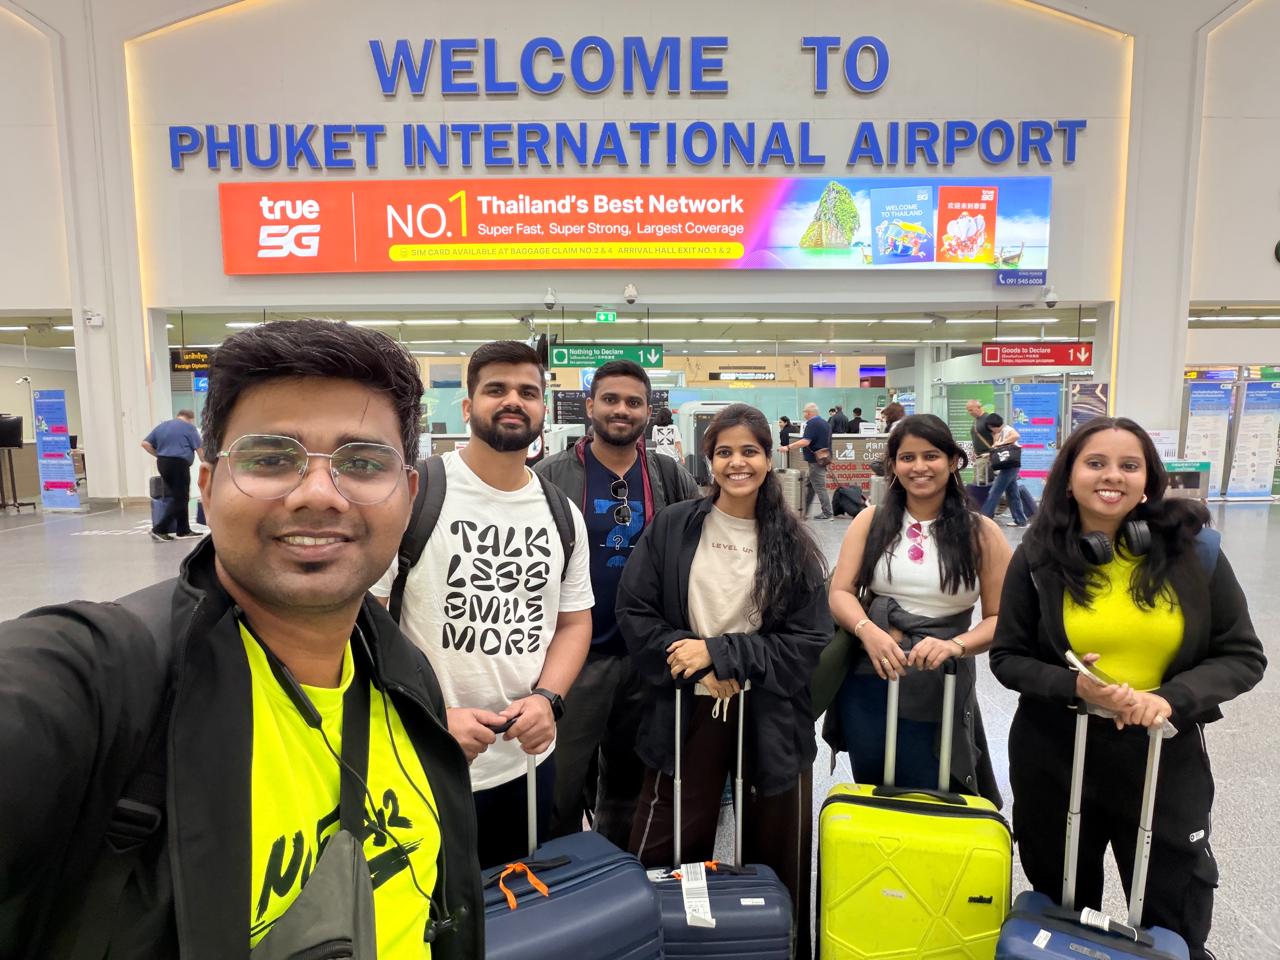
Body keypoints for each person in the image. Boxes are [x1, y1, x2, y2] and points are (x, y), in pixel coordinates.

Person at [0, 320, 484, 959]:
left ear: (408, 493)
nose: (319, 495)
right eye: (271, 459)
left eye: (363, 463)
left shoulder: (402, 672)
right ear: (206, 485)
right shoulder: (107, 681)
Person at [990, 417, 1265, 960]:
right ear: (1069, 477)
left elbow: (1242, 655)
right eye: (1095, 463)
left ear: (1147, 481)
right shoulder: (1039, 556)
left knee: (1175, 902)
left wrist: (1168, 698)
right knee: (1063, 902)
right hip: (1058, 752)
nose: (1112, 476)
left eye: (1129, 465)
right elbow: (1008, 657)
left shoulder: (1196, 553)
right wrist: (1074, 685)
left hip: (1163, 753)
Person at [617, 403, 830, 958]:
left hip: (770, 715)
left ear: (768, 458)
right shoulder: (674, 526)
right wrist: (695, 663)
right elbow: (636, 611)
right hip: (686, 707)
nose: (738, 463)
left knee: (777, 852)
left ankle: (775, 946)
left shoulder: (795, 544)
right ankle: (657, 944)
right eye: (725, 452)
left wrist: (723, 655)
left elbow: (808, 641)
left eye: (750, 451)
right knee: (666, 842)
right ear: (708, 460)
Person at [371, 340, 593, 870]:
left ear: (543, 409)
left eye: (528, 392)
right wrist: (431, 716)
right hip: (420, 755)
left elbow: (573, 622)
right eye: (497, 389)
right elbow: (363, 619)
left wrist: (548, 700)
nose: (513, 400)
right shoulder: (412, 494)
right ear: (468, 407)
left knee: (517, 902)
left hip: (525, 763)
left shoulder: (562, 514)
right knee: (426, 907)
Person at [535, 360, 699, 847]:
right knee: (560, 782)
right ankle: (560, 871)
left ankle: (616, 871)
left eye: (633, 402)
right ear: (590, 407)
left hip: (647, 657)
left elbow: (702, 536)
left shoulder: (668, 475)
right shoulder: (551, 476)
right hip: (575, 659)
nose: (621, 410)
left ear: (649, 411)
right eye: (610, 400)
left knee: (631, 784)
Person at [827, 414, 1010, 801]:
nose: (919, 467)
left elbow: (1001, 618)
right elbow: (841, 592)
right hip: (870, 678)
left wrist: (955, 645)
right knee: (875, 791)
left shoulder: (982, 533)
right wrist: (868, 631)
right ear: (893, 465)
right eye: (907, 458)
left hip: (940, 681)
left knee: (933, 792)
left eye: (931, 456)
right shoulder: (871, 521)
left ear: (953, 461)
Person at [141, 408, 204, 542]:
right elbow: (200, 450)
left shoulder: (162, 426)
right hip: (179, 464)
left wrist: (159, 455)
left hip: (163, 464)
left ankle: (183, 530)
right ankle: (159, 529)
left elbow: (145, 444)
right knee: (181, 498)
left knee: (179, 496)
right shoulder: (189, 427)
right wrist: (208, 466)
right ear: (190, 419)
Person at [780, 402, 833, 520]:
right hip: (822, 459)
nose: (803, 414)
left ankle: (827, 512)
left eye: (804, 411)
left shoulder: (812, 424)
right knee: (810, 485)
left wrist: (787, 447)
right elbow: (828, 442)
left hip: (815, 461)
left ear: (808, 413)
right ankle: (804, 510)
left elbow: (805, 441)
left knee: (819, 486)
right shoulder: (825, 423)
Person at [980, 413, 1029, 527]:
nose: (991, 430)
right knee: (1012, 493)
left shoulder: (1007, 429)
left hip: (1010, 466)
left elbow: (1016, 436)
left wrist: (1000, 442)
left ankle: (985, 518)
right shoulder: (998, 433)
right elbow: (998, 450)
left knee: (995, 491)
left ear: (993, 425)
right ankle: (1020, 520)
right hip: (1009, 465)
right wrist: (988, 453)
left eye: (991, 427)